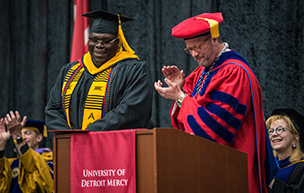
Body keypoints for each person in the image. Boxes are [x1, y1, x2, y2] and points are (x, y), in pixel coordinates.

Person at [154, 12, 277, 193]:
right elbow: (189, 124)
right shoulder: (202, 72)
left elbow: (214, 130)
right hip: (209, 169)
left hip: (233, 169)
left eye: (198, 47)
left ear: (215, 38)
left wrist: (180, 97)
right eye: (189, 49)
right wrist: (181, 88)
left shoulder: (234, 72)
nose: (194, 54)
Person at [45, 10, 153, 131]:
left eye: (106, 41)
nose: (99, 45)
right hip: (73, 145)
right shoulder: (70, 71)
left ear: (118, 43)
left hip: (116, 145)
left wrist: (88, 135)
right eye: (94, 40)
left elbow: (130, 111)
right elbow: (53, 109)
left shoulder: (135, 70)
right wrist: (69, 136)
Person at [0, 111, 53, 193]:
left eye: (27, 133)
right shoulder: (12, 163)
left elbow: (38, 186)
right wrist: (1, 144)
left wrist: (18, 137)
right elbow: (2, 187)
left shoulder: (48, 160)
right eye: (20, 134)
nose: (23, 137)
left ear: (38, 137)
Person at [266, 114, 304, 192]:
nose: (274, 134)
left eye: (280, 129)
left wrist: (272, 182)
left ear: (295, 138)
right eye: (270, 131)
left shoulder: (301, 167)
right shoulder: (268, 166)